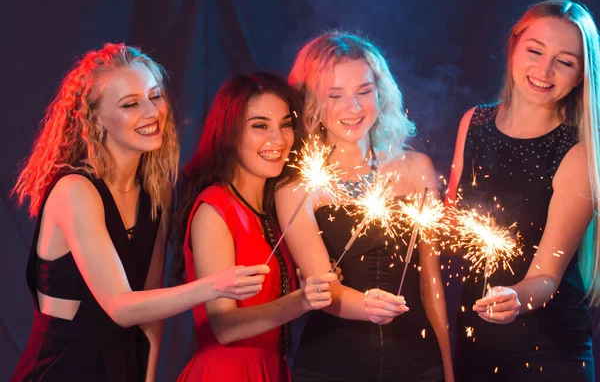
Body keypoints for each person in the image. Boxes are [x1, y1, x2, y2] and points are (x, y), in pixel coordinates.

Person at [10, 43, 268, 382]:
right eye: (131, 104)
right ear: (96, 120)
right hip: (63, 369)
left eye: (155, 95)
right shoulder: (75, 190)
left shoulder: (156, 189)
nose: (151, 112)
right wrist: (215, 285)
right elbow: (121, 306)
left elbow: (149, 308)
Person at [276, 31, 453, 381]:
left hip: (418, 366)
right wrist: (368, 306)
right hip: (332, 367)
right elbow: (323, 289)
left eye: (364, 91)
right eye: (335, 95)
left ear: (381, 92)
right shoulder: (297, 188)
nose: (353, 108)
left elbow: (431, 282)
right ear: (310, 101)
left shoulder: (417, 169)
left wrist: (448, 369)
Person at [447, 0, 600, 381]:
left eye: (565, 62)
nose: (544, 70)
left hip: (547, 349)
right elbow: (449, 219)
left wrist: (516, 297)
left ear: (581, 76)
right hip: (474, 336)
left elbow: (546, 277)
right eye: (535, 51)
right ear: (515, 45)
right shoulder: (474, 121)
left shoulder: (578, 151)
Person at [171, 72, 336, 381]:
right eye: (260, 126)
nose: (278, 139)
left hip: (271, 370)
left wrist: (304, 286)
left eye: (285, 124)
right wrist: (301, 301)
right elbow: (224, 326)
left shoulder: (271, 213)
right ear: (229, 133)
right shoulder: (215, 208)